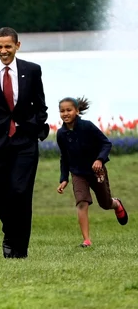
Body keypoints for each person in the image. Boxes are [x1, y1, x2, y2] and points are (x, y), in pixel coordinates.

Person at [0, 27, 49, 259]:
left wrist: (34, 126)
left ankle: (18, 248)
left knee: (20, 191)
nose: (3, 51)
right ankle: (9, 231)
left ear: (17, 46)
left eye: (8, 46)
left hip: (25, 142)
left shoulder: (32, 70)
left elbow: (40, 105)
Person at [56, 96, 128, 247]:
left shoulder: (87, 126)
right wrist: (64, 178)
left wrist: (99, 160)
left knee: (105, 203)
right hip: (77, 173)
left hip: (96, 171)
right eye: (62, 111)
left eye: (69, 110)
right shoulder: (61, 134)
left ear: (77, 111)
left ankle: (116, 204)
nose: (65, 113)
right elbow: (64, 157)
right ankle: (87, 240)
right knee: (82, 202)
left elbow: (106, 143)